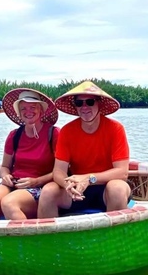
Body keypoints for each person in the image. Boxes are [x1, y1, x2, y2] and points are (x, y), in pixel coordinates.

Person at [37, 81, 131, 218]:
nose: (85, 107)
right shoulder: (67, 131)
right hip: (77, 189)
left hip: (106, 187)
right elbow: (58, 170)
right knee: (48, 192)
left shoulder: (115, 129)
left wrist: (89, 179)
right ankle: (48, 238)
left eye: (90, 102)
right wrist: (68, 184)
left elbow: (122, 173)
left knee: (117, 188)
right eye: (79, 103)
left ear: (99, 104)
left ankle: (115, 238)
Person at [0, 89, 59, 220]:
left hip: (42, 187)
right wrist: (5, 176)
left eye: (32, 107)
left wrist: (35, 181)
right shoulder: (14, 135)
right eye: (23, 109)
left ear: (41, 110)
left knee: (9, 203)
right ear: (19, 114)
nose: (28, 112)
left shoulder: (54, 133)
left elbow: (61, 171)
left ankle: (30, 240)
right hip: (15, 183)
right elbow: (5, 166)